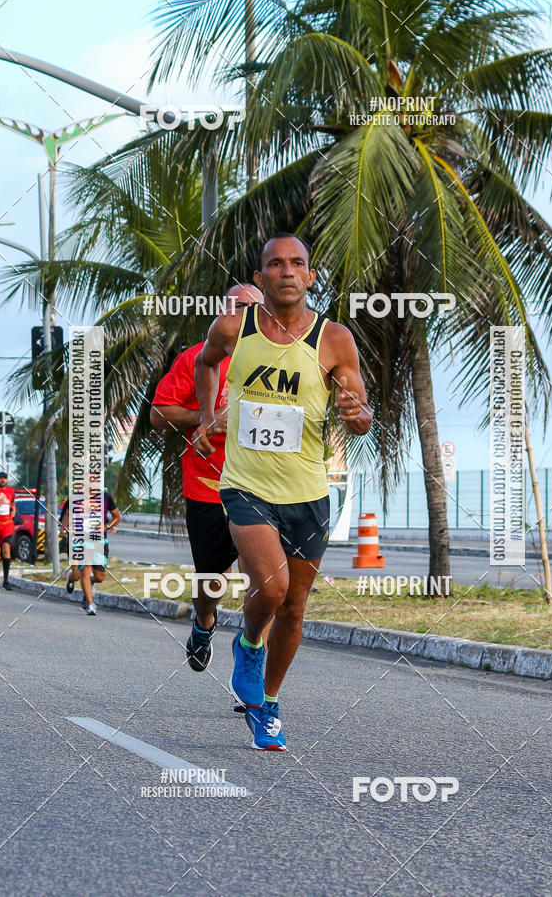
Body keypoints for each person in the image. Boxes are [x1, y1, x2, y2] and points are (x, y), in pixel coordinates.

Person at [193, 233, 372, 750]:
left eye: (298, 264)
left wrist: (358, 414)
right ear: (261, 278)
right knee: (269, 589)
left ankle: (268, 705)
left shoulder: (334, 338)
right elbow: (206, 363)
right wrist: (208, 416)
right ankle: (249, 645)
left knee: (294, 607)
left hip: (309, 493)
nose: (287, 271)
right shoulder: (233, 326)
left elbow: (359, 410)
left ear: (310, 277)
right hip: (246, 485)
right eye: (276, 264)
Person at [151, 285, 267, 696]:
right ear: (221, 312)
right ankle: (204, 622)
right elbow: (159, 413)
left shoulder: (280, 358)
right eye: (237, 307)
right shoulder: (196, 357)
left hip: (263, 485)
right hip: (207, 487)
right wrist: (204, 418)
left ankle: (252, 662)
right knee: (212, 581)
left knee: (266, 580)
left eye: (252, 307)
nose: (244, 315)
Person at [60, 491, 122, 614]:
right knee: (82, 573)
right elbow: (67, 514)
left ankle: (85, 585)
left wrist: (108, 526)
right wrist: (64, 528)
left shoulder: (106, 497)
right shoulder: (75, 498)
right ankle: (90, 603)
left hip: (99, 541)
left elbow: (113, 516)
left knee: (99, 577)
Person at [0, 471, 16, 589]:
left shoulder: (11, 491)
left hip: (7, 524)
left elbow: (13, 503)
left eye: (5, 478)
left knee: (6, 549)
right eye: (0, 478)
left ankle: (6, 580)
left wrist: (13, 509)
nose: (2, 480)